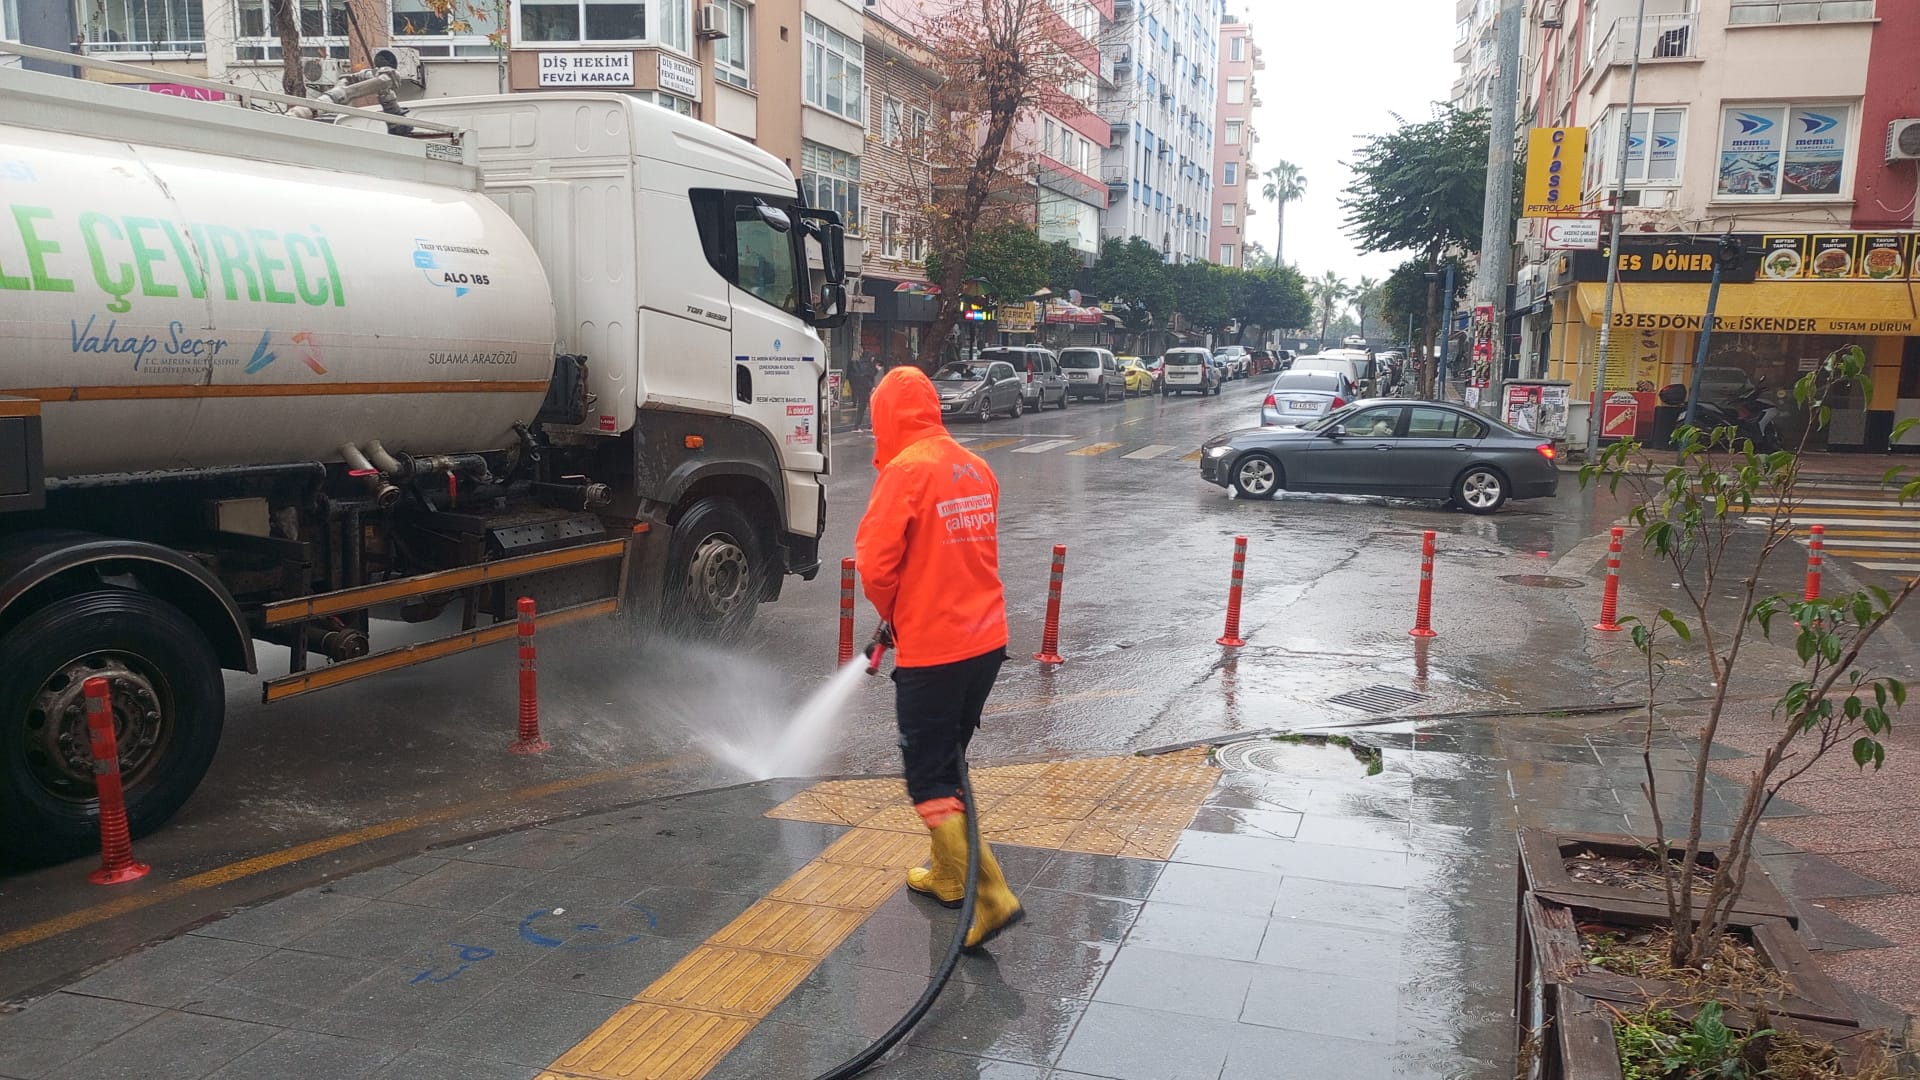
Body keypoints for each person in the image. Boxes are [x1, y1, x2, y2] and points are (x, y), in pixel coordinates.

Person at [854, 365, 1021, 951]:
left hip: (938, 648)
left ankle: (991, 893)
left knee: (928, 779)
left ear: (886, 416)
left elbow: (875, 566)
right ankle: (948, 875)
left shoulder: (905, 472)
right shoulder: (976, 467)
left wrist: (898, 613)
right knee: (951, 762)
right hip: (986, 643)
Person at [850, 352, 878, 431]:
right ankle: (871, 425)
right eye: (872, 357)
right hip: (866, 390)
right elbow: (867, 377)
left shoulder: (861, 364)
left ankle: (857, 426)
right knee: (871, 407)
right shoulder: (867, 366)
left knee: (862, 407)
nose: (873, 359)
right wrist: (871, 386)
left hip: (860, 389)